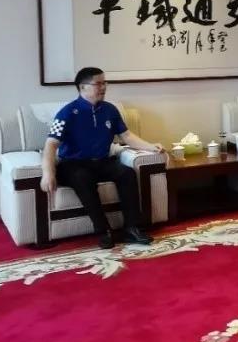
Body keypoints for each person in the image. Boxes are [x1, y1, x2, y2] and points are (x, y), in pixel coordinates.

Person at [40, 67, 163, 249]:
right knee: (82, 178)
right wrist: (47, 173)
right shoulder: (67, 113)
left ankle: (132, 228)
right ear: (82, 87)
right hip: (73, 165)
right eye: (98, 83)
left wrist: (151, 146)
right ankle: (103, 231)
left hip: (102, 162)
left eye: (105, 83)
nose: (103, 87)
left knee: (127, 174)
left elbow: (127, 136)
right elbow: (51, 145)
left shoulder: (110, 110)